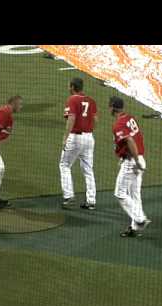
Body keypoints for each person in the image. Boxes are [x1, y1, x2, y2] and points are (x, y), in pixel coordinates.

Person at [110, 96, 151, 237]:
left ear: (112, 107)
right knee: (135, 194)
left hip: (133, 162)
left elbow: (130, 140)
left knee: (120, 193)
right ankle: (135, 228)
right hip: (138, 158)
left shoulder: (118, 124)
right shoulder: (130, 118)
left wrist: (134, 160)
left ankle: (140, 219)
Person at [59, 78, 98, 210]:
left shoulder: (72, 99)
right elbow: (95, 119)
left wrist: (65, 137)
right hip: (89, 137)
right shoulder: (91, 100)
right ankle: (91, 201)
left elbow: (71, 118)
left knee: (64, 165)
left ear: (72, 87)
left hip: (75, 137)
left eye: (69, 86)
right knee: (88, 169)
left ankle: (68, 196)